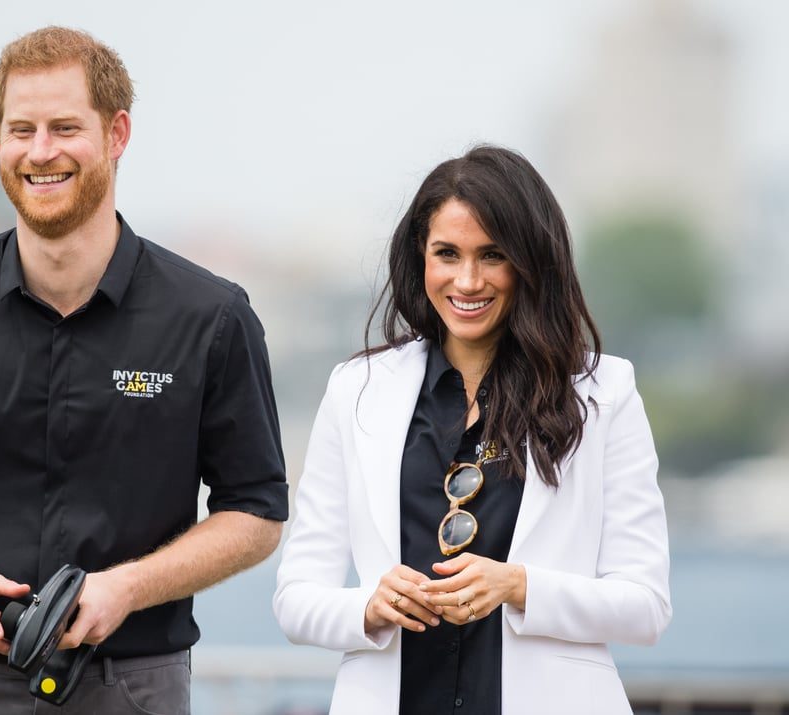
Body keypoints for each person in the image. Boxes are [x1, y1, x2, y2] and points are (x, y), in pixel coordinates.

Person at [0, 26, 287, 714]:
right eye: (21, 130)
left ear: (117, 134)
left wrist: (128, 588)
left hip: (133, 685)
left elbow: (257, 512)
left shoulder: (212, 316)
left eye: (64, 127)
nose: (40, 152)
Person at [273, 145, 671, 715]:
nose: (467, 280)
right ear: (420, 257)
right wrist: (369, 605)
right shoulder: (356, 389)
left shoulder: (605, 392)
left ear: (531, 261)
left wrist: (518, 585)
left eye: (492, 255)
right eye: (447, 254)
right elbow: (295, 599)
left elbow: (646, 606)